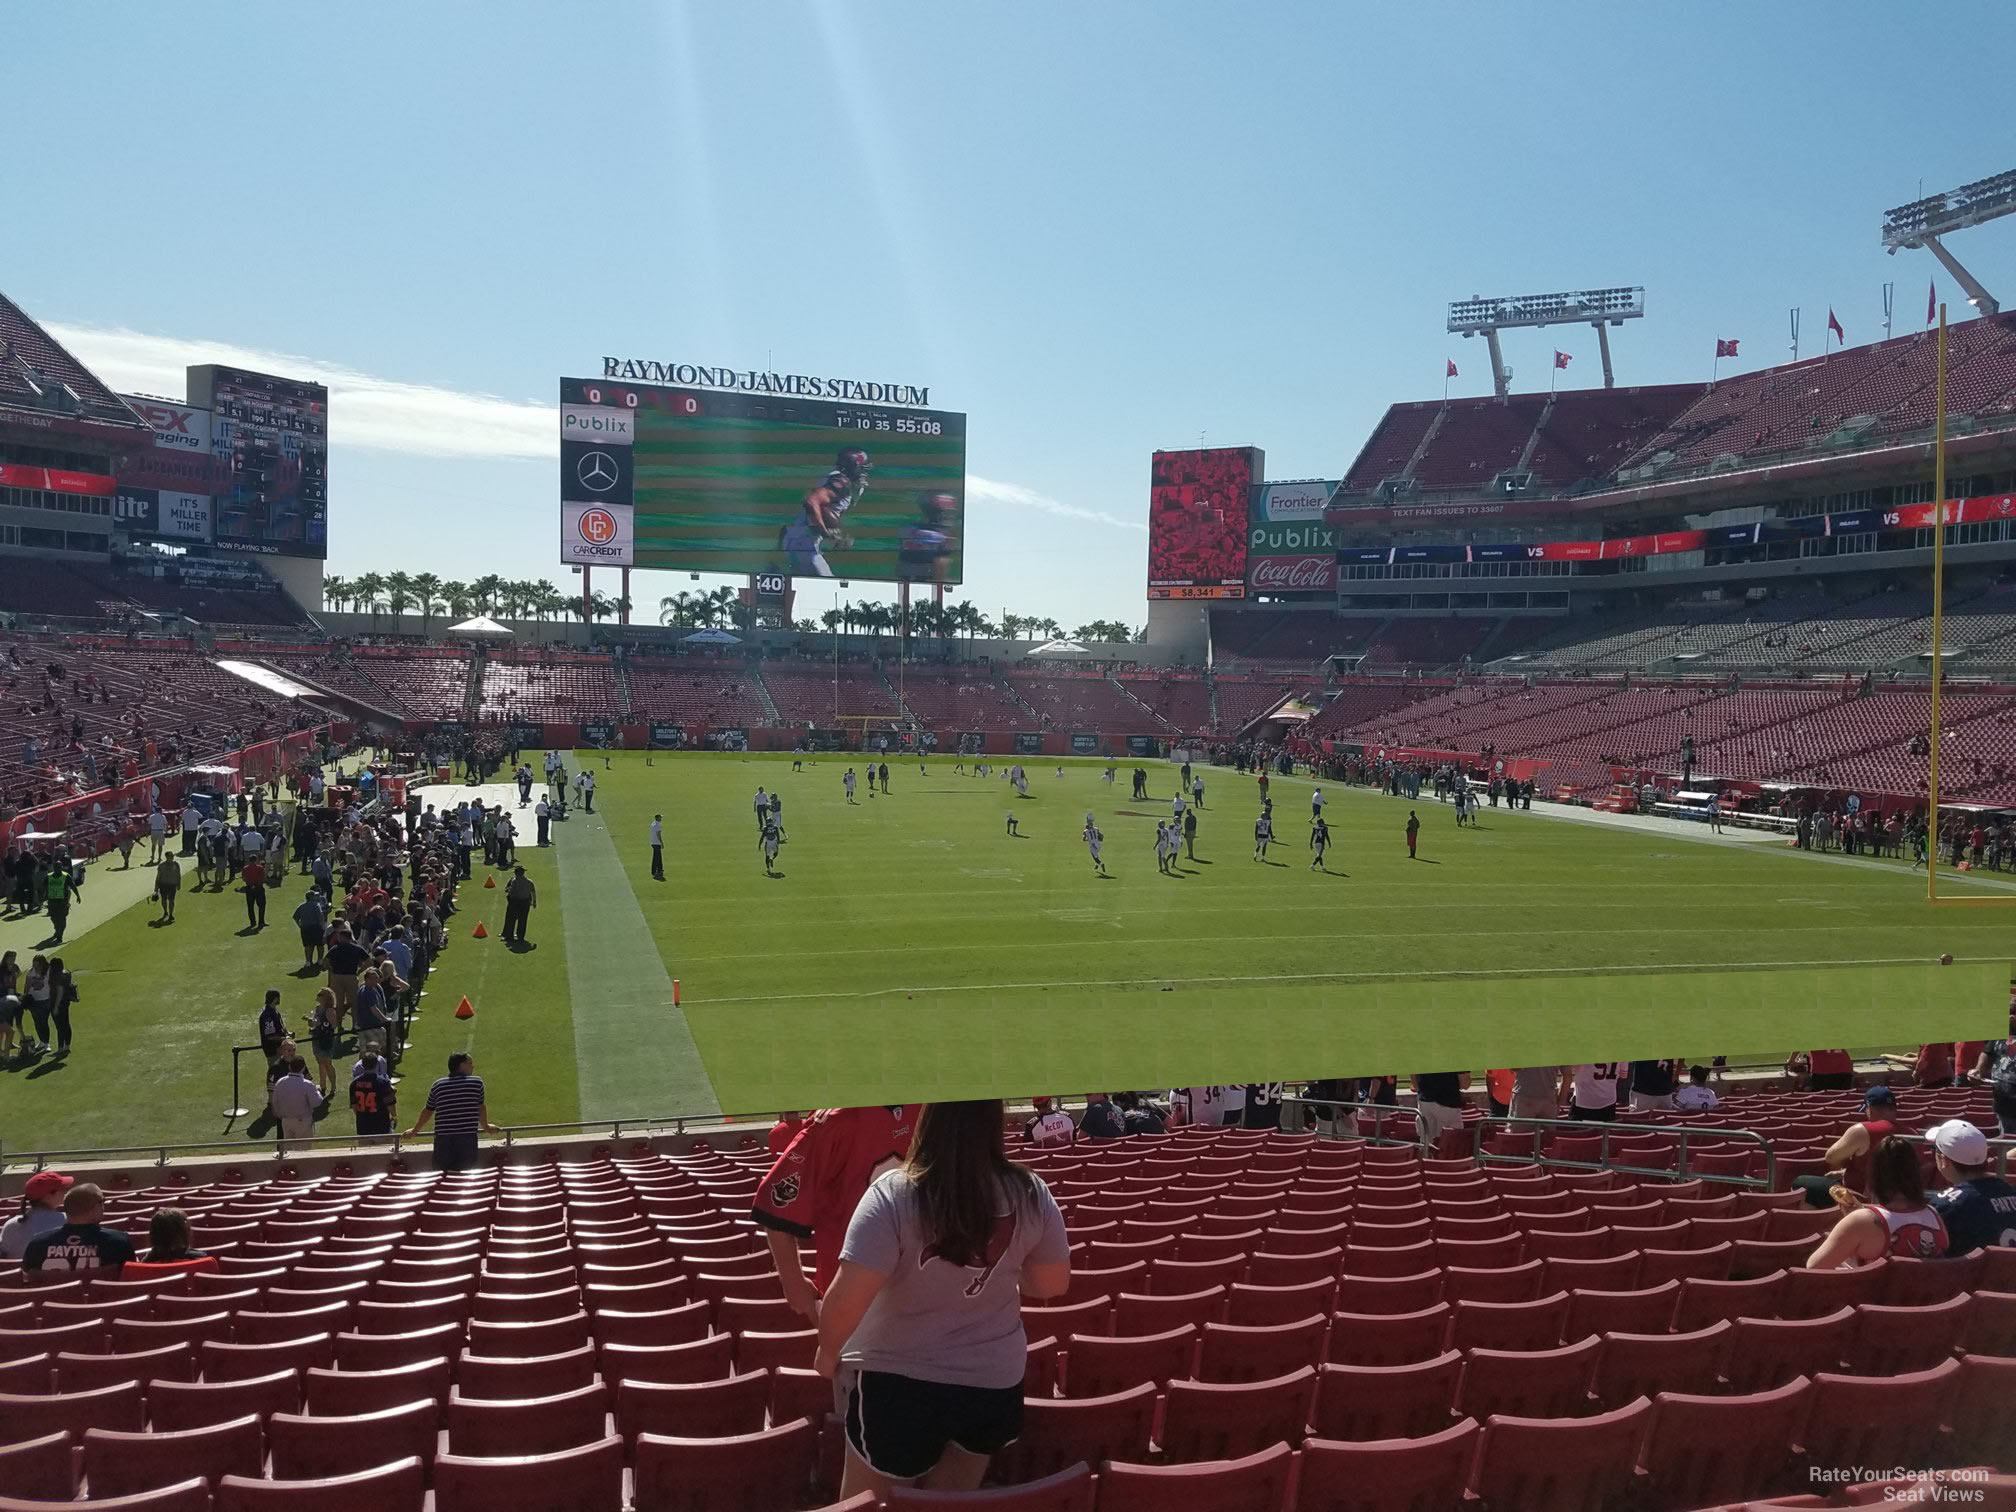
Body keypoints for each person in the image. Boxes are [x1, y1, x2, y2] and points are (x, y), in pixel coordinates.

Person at [813, 1100, 1070, 1498]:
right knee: (946, 1501)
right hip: (993, 1386)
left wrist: (827, 1352)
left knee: (864, 1503)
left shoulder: (892, 1194)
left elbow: (847, 1298)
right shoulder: (1031, 1191)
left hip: (898, 1388)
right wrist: (995, 1272)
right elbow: (1053, 1283)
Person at [752, 1104, 923, 1322]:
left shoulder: (930, 1110)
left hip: (915, 1292)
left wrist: (795, 1289)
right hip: (853, 1300)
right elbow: (776, 1207)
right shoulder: (837, 1121)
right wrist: (795, 1287)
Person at [1806, 1136, 1949, 1268]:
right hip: (1922, 1294)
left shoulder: (1860, 1220)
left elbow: (1813, 1268)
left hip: (1870, 1294)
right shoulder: (1934, 1216)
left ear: (1875, 1176)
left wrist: (1840, 1234)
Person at [1924, 1118, 2016, 1255]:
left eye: (1934, 1149)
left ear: (1944, 1160)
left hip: (1968, 1275)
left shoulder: (1945, 1206)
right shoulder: (2011, 1191)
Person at [405, 1052, 500, 1171]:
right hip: (467, 1139)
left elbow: (428, 1111)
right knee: (465, 1176)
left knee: (441, 1175)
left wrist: (415, 1131)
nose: (472, 1067)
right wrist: (486, 1127)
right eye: (470, 1063)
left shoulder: (437, 1085)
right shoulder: (477, 1083)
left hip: (443, 1140)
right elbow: (480, 1107)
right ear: (462, 1065)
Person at [21, 1183, 134, 1274]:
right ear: (94, 1208)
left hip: (52, 1301)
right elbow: (130, 1280)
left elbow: (27, 1279)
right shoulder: (118, 1242)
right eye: (102, 1201)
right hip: (101, 1301)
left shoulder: (37, 1244)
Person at [1, 1170, 72, 1259]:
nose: (64, 1192)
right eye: (62, 1189)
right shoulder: (69, 1221)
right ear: (49, 1196)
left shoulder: (10, 1225)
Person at [270, 1055, 323, 1143]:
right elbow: (316, 1102)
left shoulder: (280, 1082)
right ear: (303, 1068)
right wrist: (318, 1091)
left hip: (286, 1121)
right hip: (303, 1121)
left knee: (289, 1150)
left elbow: (275, 1102)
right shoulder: (307, 1085)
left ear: (290, 1067)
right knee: (303, 1150)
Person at [1412, 1071, 1468, 1154]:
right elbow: (1464, 1083)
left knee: (1426, 1146)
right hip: (1448, 1102)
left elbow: (1413, 1076)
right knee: (1449, 1148)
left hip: (1425, 1101)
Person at [349, 1049, 397, 1140]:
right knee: (384, 1152)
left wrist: (362, 1117)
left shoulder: (354, 1083)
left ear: (362, 1065)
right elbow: (390, 1104)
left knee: (365, 1153)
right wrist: (394, 1116)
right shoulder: (383, 1083)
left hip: (363, 1126)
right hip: (381, 1125)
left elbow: (354, 1106)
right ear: (376, 1064)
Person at [1561, 1062, 1627, 1122]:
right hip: (1608, 1102)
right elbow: (1623, 1075)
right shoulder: (1621, 1050)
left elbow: (1566, 1070)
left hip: (1582, 1101)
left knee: (1578, 1133)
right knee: (1604, 1133)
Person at [46, 957, 74, 1055]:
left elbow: (59, 992)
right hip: (66, 1002)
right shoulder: (66, 973)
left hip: (57, 1002)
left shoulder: (56, 975)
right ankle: (67, 1046)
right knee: (66, 1023)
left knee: (60, 1026)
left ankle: (60, 1048)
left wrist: (56, 1006)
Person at [501, 865, 536, 944]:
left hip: (515, 902)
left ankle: (509, 936)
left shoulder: (514, 881)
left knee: (511, 919)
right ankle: (520, 936)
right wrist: (534, 902)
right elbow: (533, 891)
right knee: (523, 920)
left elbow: (510, 891)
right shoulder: (529, 881)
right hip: (525, 903)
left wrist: (508, 891)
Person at [241, 851, 268, 929]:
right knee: (262, 905)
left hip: (249, 887)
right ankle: (261, 921)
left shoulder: (245, 868)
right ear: (256, 860)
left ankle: (253, 922)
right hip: (258, 887)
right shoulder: (260, 868)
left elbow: (243, 878)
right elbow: (263, 878)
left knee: (250, 906)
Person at [650, 814, 665, 881]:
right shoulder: (658, 825)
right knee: (657, 857)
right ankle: (656, 871)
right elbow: (658, 834)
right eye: (660, 817)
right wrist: (661, 843)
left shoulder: (653, 824)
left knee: (657, 857)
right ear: (658, 818)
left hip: (653, 842)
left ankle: (659, 869)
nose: (661, 818)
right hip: (657, 843)